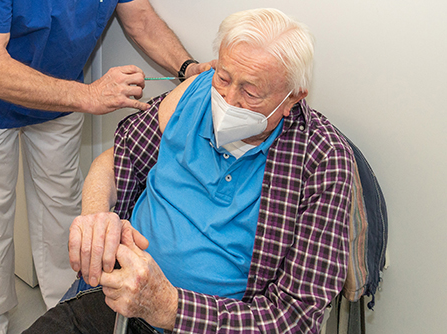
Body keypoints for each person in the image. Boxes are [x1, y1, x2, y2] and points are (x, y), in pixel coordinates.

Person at [25, 8, 355, 334]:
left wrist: (168, 306)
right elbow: (114, 161)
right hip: (117, 297)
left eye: (251, 92)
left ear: (292, 99)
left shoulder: (323, 161)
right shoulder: (194, 93)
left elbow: (295, 319)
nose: (227, 100)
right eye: (223, 78)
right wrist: (96, 215)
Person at [0, 0, 212, 332]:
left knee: (62, 214)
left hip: (61, 98)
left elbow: (139, 17)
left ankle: (63, 311)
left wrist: (188, 67)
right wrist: (90, 96)